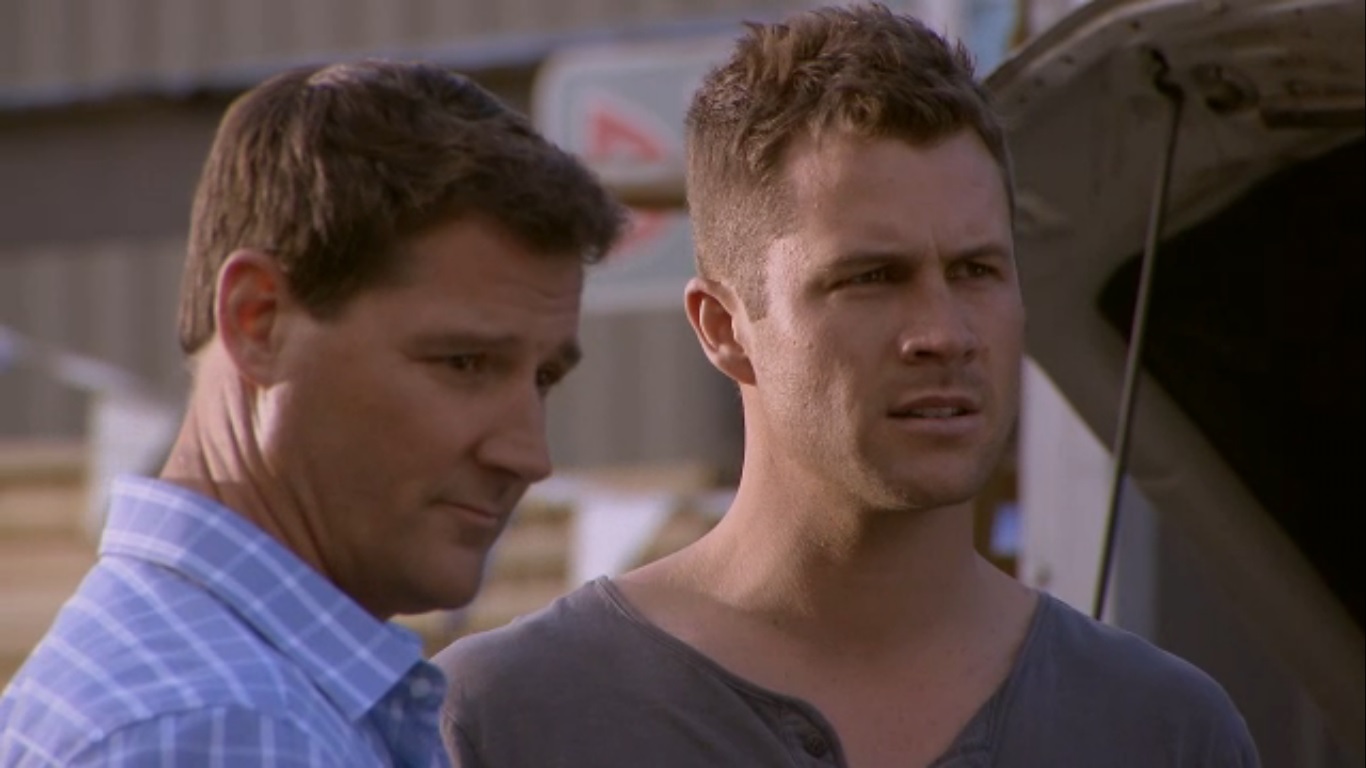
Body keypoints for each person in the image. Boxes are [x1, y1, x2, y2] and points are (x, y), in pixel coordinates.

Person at [432, 5, 1259, 767]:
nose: (944, 334)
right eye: (870, 277)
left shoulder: (1159, 729)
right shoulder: (512, 718)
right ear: (723, 327)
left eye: (976, 270)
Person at [0, 60, 623, 766]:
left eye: (543, 378)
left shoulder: (216, 692)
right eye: (463, 363)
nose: (528, 456)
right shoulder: (223, 726)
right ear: (258, 320)